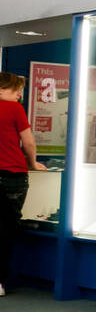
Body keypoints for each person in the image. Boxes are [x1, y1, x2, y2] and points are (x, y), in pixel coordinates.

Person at [0, 72, 47, 297]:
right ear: (1, 90)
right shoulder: (14, 109)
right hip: (12, 174)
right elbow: (27, 141)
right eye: (15, 89)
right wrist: (33, 164)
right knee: (5, 229)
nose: (20, 94)